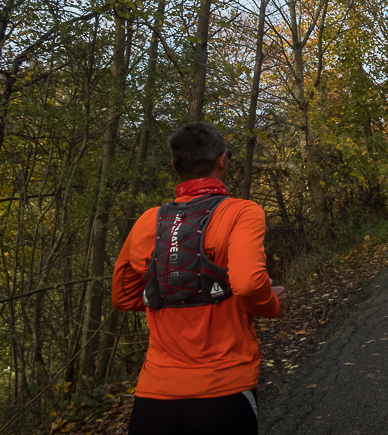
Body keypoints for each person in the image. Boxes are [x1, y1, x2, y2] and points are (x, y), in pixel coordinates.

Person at [112, 122, 287, 435]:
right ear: (222, 160)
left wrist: (173, 290)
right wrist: (272, 305)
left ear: (174, 166)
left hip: (154, 396)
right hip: (224, 389)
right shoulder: (241, 212)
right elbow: (247, 284)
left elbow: (123, 297)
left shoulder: (148, 220)